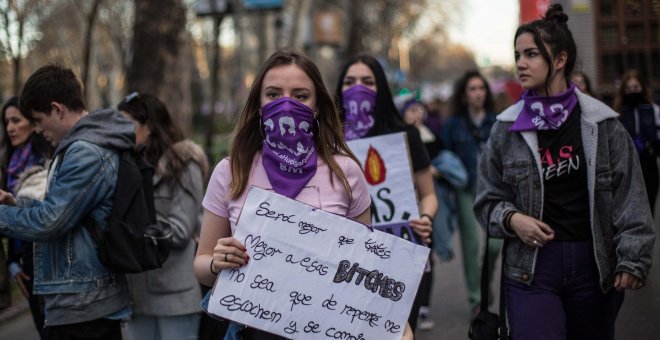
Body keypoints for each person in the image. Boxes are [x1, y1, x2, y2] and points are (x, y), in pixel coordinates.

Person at [194, 50, 414, 340]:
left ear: (318, 107)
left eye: (300, 96)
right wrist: (216, 263)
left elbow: (364, 266)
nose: (286, 105)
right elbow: (202, 267)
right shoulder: (230, 172)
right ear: (259, 105)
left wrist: (394, 321)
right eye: (273, 94)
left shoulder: (346, 172)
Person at [474, 5, 655, 339]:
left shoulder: (603, 125)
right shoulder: (505, 129)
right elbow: (485, 202)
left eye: (531, 54)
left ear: (559, 60)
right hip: (530, 271)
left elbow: (631, 197)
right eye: (517, 55)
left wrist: (632, 258)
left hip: (594, 266)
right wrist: (513, 219)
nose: (521, 63)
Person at [0, 65, 134, 339]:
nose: (36, 129)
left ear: (57, 109)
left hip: (84, 305)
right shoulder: (81, 145)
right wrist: (15, 207)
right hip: (81, 300)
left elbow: (51, 222)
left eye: (37, 119)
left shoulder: (86, 151)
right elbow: (63, 212)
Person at [335, 54, 437, 333]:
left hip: (400, 255)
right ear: (339, 90)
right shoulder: (328, 141)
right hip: (345, 262)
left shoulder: (407, 135)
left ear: (381, 88)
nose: (359, 88)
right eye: (350, 81)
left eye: (368, 81)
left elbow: (429, 194)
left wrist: (425, 218)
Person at [118, 93, 208, 340]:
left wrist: (137, 215)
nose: (122, 132)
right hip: (135, 295)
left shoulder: (183, 164)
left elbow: (180, 232)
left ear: (149, 126)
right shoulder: (125, 166)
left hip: (174, 295)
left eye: (128, 125)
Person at [443, 70, 499, 316]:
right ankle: (477, 298)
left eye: (481, 88)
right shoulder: (454, 124)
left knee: (496, 243)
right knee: (471, 243)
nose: (478, 93)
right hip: (466, 189)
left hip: (493, 188)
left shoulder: (497, 121)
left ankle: (483, 281)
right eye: (472, 89)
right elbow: (444, 155)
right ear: (464, 96)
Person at [1, 96, 52, 339]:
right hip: (25, 261)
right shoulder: (9, 163)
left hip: (47, 257)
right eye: (6, 122)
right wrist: (12, 262)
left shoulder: (47, 159)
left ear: (33, 123)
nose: (10, 127)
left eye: (15, 120)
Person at [613, 69, 660, 213]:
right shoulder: (617, 113)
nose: (632, 91)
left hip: (649, 165)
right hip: (627, 167)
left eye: (635, 87)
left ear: (642, 88)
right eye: (628, 88)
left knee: (649, 206)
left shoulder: (653, 110)